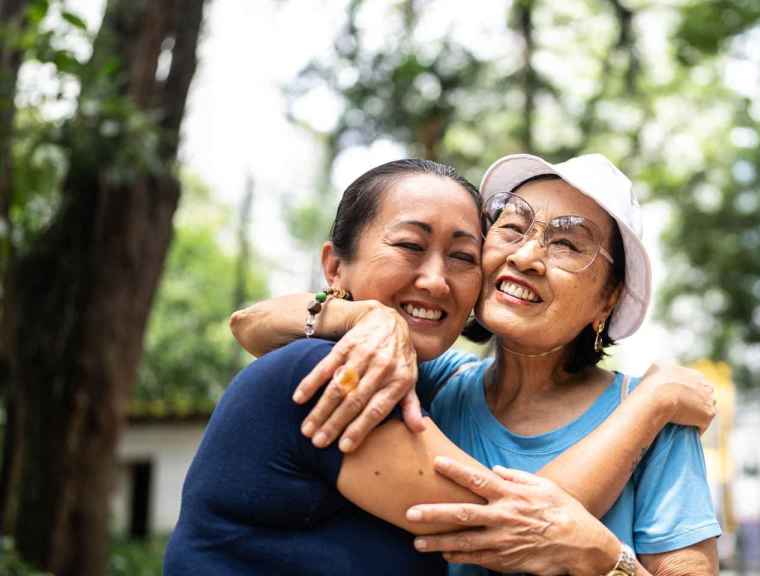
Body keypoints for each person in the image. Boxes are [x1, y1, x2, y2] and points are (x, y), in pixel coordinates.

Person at [166, 158, 716, 575]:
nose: (527, 256)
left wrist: (608, 561)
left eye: (569, 244)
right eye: (512, 228)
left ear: (608, 300)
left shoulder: (656, 429)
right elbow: (251, 324)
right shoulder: (418, 382)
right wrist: (359, 317)